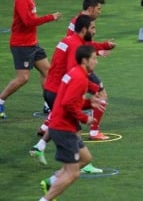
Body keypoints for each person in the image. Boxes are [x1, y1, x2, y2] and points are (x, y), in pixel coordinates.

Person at [30, 15, 111, 173]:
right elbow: (74, 72)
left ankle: (40, 146)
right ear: (84, 29)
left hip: (51, 89)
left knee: (57, 121)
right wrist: (94, 90)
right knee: (74, 129)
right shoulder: (75, 45)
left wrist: (104, 46)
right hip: (58, 91)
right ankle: (83, 163)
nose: (94, 31)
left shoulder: (69, 40)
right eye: (93, 28)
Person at [39, 45, 105, 201]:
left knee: (86, 158)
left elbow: (70, 100)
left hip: (59, 125)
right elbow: (68, 104)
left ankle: (52, 182)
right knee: (73, 173)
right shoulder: (80, 78)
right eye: (94, 59)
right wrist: (85, 118)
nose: (96, 62)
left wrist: (89, 103)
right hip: (63, 128)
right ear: (84, 60)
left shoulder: (74, 73)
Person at [0, 0, 61, 119]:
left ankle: (49, 105)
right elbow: (28, 22)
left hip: (32, 44)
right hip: (21, 45)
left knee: (48, 71)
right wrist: (50, 17)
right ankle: (0, 100)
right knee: (23, 78)